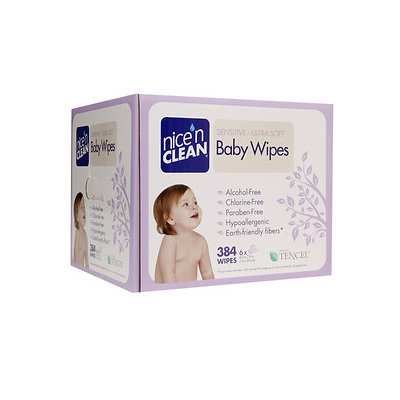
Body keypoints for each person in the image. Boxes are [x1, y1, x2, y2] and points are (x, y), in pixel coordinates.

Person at [153, 184, 214, 283]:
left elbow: (207, 273)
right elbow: (167, 274)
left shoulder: (201, 241)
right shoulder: (170, 240)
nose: (194, 207)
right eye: (186, 204)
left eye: (195, 202)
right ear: (170, 218)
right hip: (168, 290)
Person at [73, 192, 88, 267]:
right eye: (81, 207)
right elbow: (75, 251)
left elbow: (86, 254)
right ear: (77, 216)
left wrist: (87, 266)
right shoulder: (77, 232)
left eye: (84, 207)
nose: (84, 210)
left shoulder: (85, 234)